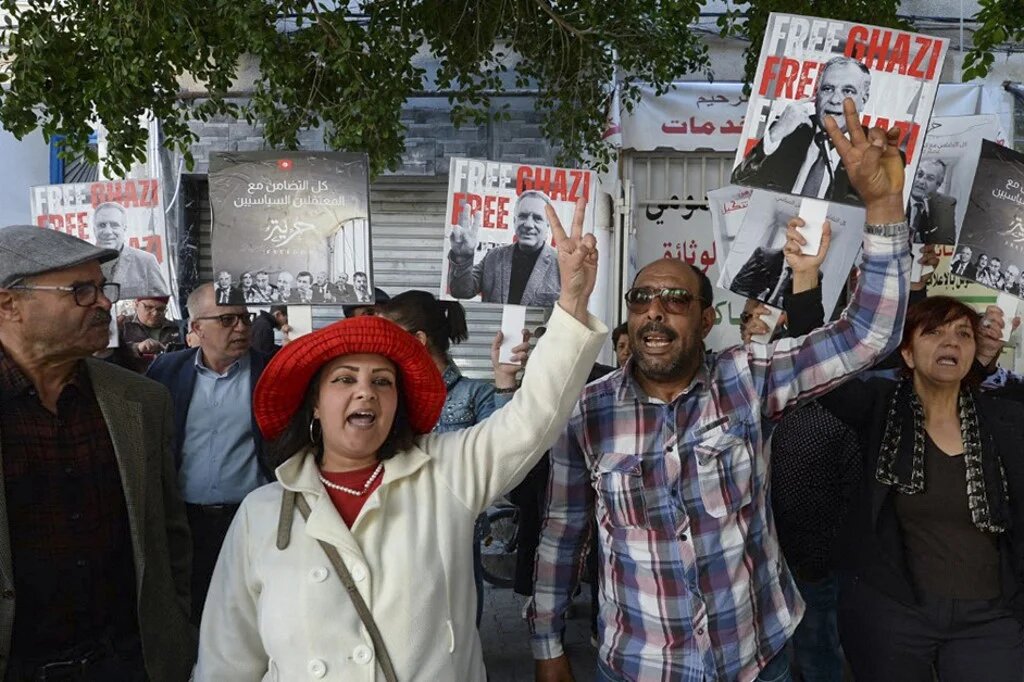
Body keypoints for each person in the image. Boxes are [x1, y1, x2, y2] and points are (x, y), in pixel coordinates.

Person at [530, 99, 911, 682]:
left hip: (757, 659)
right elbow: (563, 532)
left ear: (708, 321)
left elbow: (866, 334)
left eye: (677, 300)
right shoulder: (589, 410)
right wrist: (547, 643)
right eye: (642, 299)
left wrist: (883, 205)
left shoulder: (747, 378)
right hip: (638, 666)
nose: (656, 313)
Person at [195, 199, 607, 680]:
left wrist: (573, 302)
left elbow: (535, 416)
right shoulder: (261, 514)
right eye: (345, 380)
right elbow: (226, 660)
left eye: (382, 381)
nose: (365, 391)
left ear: (397, 403)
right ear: (313, 402)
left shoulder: (446, 472)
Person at [0, 225, 194, 680]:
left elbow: (168, 536)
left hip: (129, 663)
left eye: (102, 287)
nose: (105, 302)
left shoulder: (141, 401)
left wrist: (175, 628)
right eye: (81, 291)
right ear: (9, 304)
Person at [799, 296, 1024, 681]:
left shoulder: (1007, 419)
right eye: (933, 332)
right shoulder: (879, 410)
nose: (950, 341)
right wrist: (805, 282)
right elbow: (818, 365)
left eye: (963, 333)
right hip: (894, 616)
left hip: (991, 619)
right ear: (906, 352)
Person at [377, 289, 525, 626]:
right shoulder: (385, 394)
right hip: (395, 533)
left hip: (456, 535)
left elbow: (504, 456)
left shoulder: (475, 393)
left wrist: (505, 382)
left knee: (457, 629)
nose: (380, 346)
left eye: (389, 336)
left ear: (418, 340)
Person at [146, 282, 274, 624]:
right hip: (185, 521)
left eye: (246, 319)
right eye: (228, 320)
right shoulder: (165, 372)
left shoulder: (273, 373)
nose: (242, 328)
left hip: (252, 519)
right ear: (197, 328)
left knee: (252, 611)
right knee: (193, 609)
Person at [732, 57, 871, 204]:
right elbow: (737, 189)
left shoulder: (875, 152)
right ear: (816, 94)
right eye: (827, 89)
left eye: (848, 91)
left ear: (864, 99)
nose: (835, 99)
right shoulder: (788, 130)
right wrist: (775, 134)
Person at [448, 191, 562, 306]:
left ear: (548, 225)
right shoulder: (494, 256)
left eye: (537, 218)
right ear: (514, 221)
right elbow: (461, 291)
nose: (528, 224)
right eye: (523, 216)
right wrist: (462, 258)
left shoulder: (562, 264)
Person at [94, 201, 170, 299]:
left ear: (124, 228)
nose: (108, 231)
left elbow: (161, 303)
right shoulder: (83, 265)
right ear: (94, 229)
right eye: (102, 225)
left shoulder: (146, 262)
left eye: (114, 225)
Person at [116, 295, 183, 373]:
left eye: (160, 309)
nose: (155, 313)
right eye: (149, 307)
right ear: (136, 305)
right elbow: (110, 354)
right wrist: (137, 348)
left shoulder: (176, 328)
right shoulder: (122, 325)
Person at [907, 158, 957, 244]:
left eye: (930, 178)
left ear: (938, 185)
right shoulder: (895, 193)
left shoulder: (946, 204)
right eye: (919, 174)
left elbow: (947, 241)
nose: (921, 181)